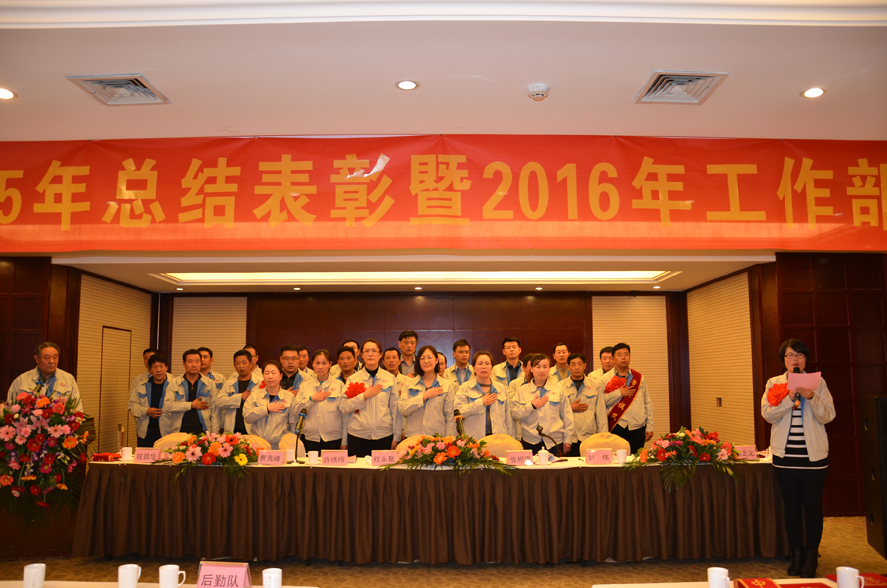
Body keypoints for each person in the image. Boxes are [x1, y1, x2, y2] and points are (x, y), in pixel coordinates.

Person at [762, 339, 835, 578]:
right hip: (785, 456)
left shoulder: (818, 383)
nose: (795, 359)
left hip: (813, 457)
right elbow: (768, 415)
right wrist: (788, 397)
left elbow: (828, 416)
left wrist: (812, 397)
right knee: (792, 507)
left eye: (800, 355)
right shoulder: (774, 383)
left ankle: (811, 556)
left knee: (813, 507)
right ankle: (796, 555)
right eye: (791, 355)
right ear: (784, 359)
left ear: (805, 359)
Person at [341, 339, 402, 457]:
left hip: (384, 435)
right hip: (357, 435)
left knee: (382, 469)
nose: (370, 354)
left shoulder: (390, 379)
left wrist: (396, 436)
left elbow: (395, 411)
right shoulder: (353, 379)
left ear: (380, 355)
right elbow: (344, 407)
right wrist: (363, 396)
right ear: (361, 355)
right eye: (367, 351)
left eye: (374, 351)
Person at [511, 354, 574, 455]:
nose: (541, 370)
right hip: (530, 441)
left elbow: (567, 416)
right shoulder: (522, 390)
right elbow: (515, 414)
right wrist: (531, 406)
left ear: (549, 369)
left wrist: (568, 439)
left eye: (545, 367)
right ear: (531, 369)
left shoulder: (558, 389)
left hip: (554, 442)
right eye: (538, 367)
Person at [601, 343, 654, 454]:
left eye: (626, 354)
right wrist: (618, 393)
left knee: (637, 460)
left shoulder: (639, 377)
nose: (623, 357)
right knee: (616, 460)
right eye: (619, 355)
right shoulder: (605, 379)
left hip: (637, 426)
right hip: (616, 426)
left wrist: (649, 427)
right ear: (613, 358)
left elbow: (647, 403)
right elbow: (600, 402)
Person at [294, 349, 347, 452]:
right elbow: (296, 412)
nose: (321, 367)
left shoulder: (339, 385)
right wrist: (311, 399)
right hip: (311, 438)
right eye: (317, 363)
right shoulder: (305, 386)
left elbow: (345, 415)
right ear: (312, 364)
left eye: (324, 363)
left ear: (330, 364)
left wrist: (344, 441)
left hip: (334, 438)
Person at [399, 345, 457, 438]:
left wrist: (449, 439)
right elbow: (403, 410)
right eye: (422, 358)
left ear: (436, 360)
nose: (426, 361)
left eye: (429, 357)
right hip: (414, 437)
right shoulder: (409, 384)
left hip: (437, 438)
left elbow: (450, 417)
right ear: (418, 362)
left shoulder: (446, 386)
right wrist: (423, 396)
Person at [7, 342, 83, 412]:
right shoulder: (22, 380)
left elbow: (77, 409)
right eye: (47, 358)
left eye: (55, 357)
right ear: (36, 359)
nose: (52, 361)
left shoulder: (68, 379)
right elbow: (9, 409)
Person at [454, 351, 514, 440]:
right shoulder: (465, 388)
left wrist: (511, 439)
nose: (484, 367)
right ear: (474, 368)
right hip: (474, 439)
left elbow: (508, 418)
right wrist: (480, 403)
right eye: (480, 364)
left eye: (487, 363)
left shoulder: (502, 389)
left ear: (492, 367)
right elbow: (458, 412)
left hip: (498, 438)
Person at [559, 352, 607, 455]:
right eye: (573, 364)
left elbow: (601, 413)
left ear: (584, 366)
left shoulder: (595, 385)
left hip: (589, 437)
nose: (577, 367)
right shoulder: (560, 387)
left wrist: (602, 438)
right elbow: (554, 413)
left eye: (580, 364)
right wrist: (570, 408)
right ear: (568, 367)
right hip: (568, 439)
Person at [160, 349, 214, 436]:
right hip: (179, 431)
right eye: (190, 361)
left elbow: (215, 411)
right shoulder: (174, 383)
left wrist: (214, 434)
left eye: (197, 361)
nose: (194, 365)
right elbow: (168, 406)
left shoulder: (210, 384)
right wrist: (191, 405)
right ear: (184, 364)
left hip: (203, 432)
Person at [243, 360, 295, 450]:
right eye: (267, 373)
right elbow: (247, 416)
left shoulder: (289, 397)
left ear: (280, 376)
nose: (270, 376)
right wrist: (266, 409)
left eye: (273, 373)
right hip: (257, 446)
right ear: (263, 376)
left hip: (280, 446)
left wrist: (289, 444)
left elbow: (294, 424)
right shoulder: (254, 396)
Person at [129, 352, 169, 447]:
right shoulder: (141, 386)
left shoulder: (175, 386)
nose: (158, 370)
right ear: (150, 370)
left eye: (161, 366)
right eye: (155, 367)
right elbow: (132, 405)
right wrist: (146, 411)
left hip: (168, 432)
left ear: (166, 368)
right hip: (146, 432)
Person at [215, 349, 260, 434]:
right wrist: (240, 397)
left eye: (244, 362)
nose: (241, 366)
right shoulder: (229, 383)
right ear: (234, 365)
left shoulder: (260, 382)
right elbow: (219, 402)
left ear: (251, 364)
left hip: (253, 430)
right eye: (238, 363)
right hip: (232, 431)